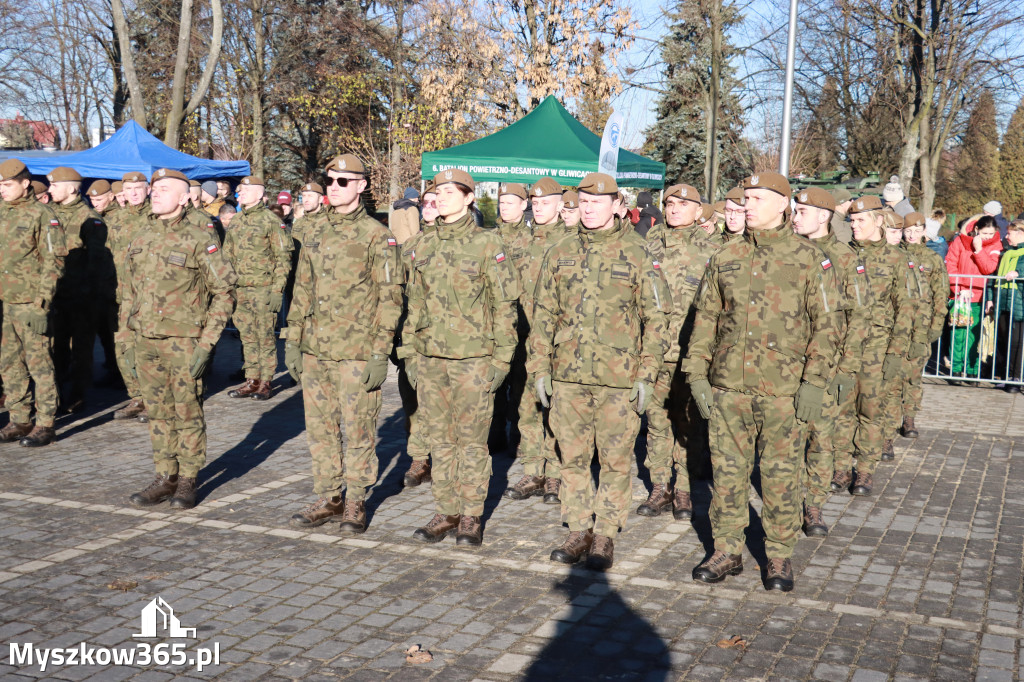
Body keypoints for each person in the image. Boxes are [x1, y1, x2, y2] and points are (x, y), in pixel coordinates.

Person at [684, 172, 841, 592]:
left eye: (756, 198)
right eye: (745, 197)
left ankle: (778, 555)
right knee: (728, 473)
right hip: (729, 387)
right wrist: (696, 373)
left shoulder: (811, 259)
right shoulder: (725, 256)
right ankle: (727, 550)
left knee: (780, 474)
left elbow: (828, 325)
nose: (746, 204)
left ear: (783, 203)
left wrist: (814, 383)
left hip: (784, 391)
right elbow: (706, 320)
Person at [529, 172, 669, 570]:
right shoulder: (559, 251)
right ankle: (578, 528)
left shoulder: (638, 254)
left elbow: (657, 320)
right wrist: (539, 367)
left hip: (618, 378)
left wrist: (647, 374)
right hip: (568, 376)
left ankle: (605, 532)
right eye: (583, 202)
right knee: (571, 457)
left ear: (617, 207)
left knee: (615, 459)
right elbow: (543, 316)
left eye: (597, 202)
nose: (588, 209)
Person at [284, 154, 404, 533]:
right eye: (330, 180)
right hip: (316, 349)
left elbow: (391, 297)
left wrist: (379, 352)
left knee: (359, 428)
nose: (333, 187)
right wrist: (292, 338)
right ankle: (330, 497)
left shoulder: (376, 236)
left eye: (342, 182)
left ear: (361, 186)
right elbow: (302, 288)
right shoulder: (312, 230)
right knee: (320, 428)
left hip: (356, 351)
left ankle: (355, 501)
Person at [400, 168, 520, 546]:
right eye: (439, 191)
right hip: (430, 359)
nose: (443, 196)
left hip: (474, 360)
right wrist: (409, 354)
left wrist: (502, 360)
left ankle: (470, 514)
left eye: (453, 191)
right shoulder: (421, 245)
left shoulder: (488, 244)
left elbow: (505, 306)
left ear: (470, 197)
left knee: (471, 442)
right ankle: (446, 509)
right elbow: (413, 305)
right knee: (440, 438)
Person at [124, 168, 237, 510]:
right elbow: (129, 291)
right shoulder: (141, 235)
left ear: (185, 196)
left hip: (184, 341)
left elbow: (225, 291)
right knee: (158, 411)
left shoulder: (199, 238)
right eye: (153, 188)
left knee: (186, 411)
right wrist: (128, 337)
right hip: (146, 340)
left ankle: (188, 478)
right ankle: (165, 475)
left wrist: (207, 344)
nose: (154, 193)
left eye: (163, 188)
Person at [790, 187, 867, 538]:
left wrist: (848, 369)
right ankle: (787, 502)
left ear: (823, 216)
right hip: (787, 365)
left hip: (829, 365)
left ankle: (814, 506)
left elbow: (858, 316)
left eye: (801, 212)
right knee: (787, 440)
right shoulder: (787, 252)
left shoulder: (846, 259)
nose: (794, 217)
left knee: (821, 438)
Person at [831, 195, 915, 497]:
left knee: (870, 411)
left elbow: (906, 308)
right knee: (841, 410)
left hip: (877, 350)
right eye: (851, 220)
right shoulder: (842, 255)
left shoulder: (896, 260)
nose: (854, 226)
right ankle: (840, 468)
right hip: (843, 347)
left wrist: (896, 353)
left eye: (860, 220)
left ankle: (864, 471)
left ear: (878, 221)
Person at [639, 183, 714, 521]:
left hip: (690, 352)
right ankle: (659, 486)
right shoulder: (648, 244)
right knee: (656, 422)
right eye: (669, 203)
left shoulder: (714, 250)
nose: (673, 209)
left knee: (688, 425)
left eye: (683, 204)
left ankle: (683, 488)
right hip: (654, 350)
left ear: (698, 211)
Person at [505, 177, 573, 505]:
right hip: (523, 338)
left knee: (555, 407)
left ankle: (556, 473)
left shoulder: (572, 242)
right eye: (534, 201)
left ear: (561, 205)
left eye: (545, 202)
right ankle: (533, 469)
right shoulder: (522, 240)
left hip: (556, 341)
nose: (538, 206)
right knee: (526, 405)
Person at [0, 158, 67, 447]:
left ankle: (45, 423)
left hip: (30, 302)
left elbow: (54, 261)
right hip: (6, 302)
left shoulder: (43, 215)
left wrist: (42, 303)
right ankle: (19, 418)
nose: (2, 190)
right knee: (10, 364)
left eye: (7, 184)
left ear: (25, 184)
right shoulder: (2, 212)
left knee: (40, 364)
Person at [222, 176, 293, 401]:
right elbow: (227, 255)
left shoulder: (271, 221)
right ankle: (252, 379)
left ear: (257, 193)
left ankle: (266, 381)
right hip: (240, 289)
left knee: (265, 337)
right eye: (239, 191)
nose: (239, 194)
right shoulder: (237, 220)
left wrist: (277, 290)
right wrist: (228, 286)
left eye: (243, 191)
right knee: (247, 336)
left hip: (263, 289)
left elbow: (283, 259)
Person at [47, 167, 107, 414]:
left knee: (81, 348)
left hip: (81, 295)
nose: (49, 189)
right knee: (57, 347)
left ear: (71, 188)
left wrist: (87, 294)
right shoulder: (48, 215)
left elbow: (96, 262)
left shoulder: (89, 219)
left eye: (54, 186)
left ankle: (79, 393)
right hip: (55, 293)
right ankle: (57, 392)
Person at [398, 185, 439, 488]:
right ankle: (419, 458)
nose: (427, 208)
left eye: (434, 202)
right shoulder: (411, 245)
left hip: (450, 341)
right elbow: (396, 291)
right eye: (424, 203)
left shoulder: (473, 244)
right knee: (413, 399)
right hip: (413, 336)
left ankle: (444, 459)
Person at [109, 171, 153, 422]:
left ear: (147, 189)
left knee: (147, 349)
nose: (134, 193)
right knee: (124, 348)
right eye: (129, 189)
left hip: (149, 297)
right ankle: (137, 396)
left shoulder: (157, 217)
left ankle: (153, 399)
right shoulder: (116, 219)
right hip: (123, 296)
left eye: (138, 187)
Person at [901, 213, 949, 433]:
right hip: (896, 326)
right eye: (907, 230)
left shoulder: (932, 259)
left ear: (923, 232)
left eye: (916, 231)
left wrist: (937, 323)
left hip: (921, 326)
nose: (911, 235)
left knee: (913, 375)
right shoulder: (895, 255)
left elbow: (941, 293)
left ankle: (909, 417)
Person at [944, 214, 1001, 378]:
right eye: (985, 234)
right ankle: (955, 368)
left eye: (991, 234)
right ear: (976, 230)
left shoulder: (995, 245)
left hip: (978, 296)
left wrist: (979, 249)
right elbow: (951, 265)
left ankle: (971, 369)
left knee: (974, 335)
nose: (988, 237)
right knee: (958, 333)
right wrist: (958, 288)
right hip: (960, 295)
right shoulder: (959, 242)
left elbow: (988, 268)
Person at [86, 180, 119, 376]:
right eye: (92, 200)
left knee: (115, 333)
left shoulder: (120, 219)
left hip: (114, 285)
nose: (95, 203)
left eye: (99, 199)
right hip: (98, 286)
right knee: (104, 333)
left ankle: (120, 374)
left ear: (110, 196)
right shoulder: (94, 218)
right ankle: (111, 368)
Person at [989, 221, 1024, 392]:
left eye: (1010, 233)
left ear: (1021, 234)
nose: (1006, 236)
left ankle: (1015, 377)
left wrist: (1019, 273)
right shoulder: (1006, 253)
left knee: (1016, 341)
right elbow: (994, 276)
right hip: (1002, 299)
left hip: (1018, 302)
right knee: (1003, 338)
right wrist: (990, 298)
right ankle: (1004, 375)